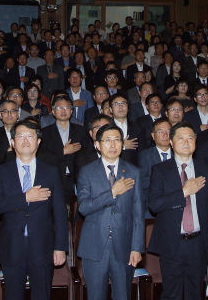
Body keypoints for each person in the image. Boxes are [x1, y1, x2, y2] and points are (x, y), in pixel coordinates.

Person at [0, 119, 68, 300]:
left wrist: (60, 247)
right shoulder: (1, 171)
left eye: (30, 136)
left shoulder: (50, 171)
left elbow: (60, 212)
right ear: (12, 142)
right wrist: (25, 198)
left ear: (38, 142)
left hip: (43, 246)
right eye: (21, 136)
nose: (25, 140)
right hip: (12, 247)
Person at [147, 121, 208, 300]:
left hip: (199, 243)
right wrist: (184, 192)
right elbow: (154, 204)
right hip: (172, 242)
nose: (186, 142)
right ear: (171, 142)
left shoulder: (207, 170)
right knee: (171, 294)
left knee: (195, 293)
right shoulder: (160, 170)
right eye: (181, 138)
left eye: (190, 138)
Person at [76, 123, 144, 300]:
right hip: (94, 247)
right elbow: (83, 207)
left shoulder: (133, 172)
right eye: (107, 140)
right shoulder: (87, 172)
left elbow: (138, 214)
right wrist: (112, 192)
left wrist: (137, 248)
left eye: (117, 140)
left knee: (123, 295)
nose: (113, 145)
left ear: (122, 144)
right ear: (97, 145)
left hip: (124, 247)